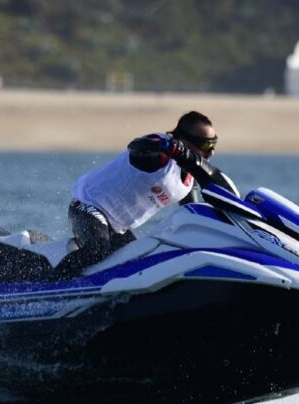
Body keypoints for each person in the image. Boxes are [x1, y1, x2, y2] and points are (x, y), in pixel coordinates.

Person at [52, 111, 237, 279]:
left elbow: (195, 212)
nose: (211, 151)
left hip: (117, 228)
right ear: (183, 140)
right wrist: (171, 148)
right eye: (205, 144)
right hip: (88, 207)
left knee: (133, 266)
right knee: (97, 250)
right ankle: (47, 283)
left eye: (214, 143)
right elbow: (135, 147)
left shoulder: (188, 179)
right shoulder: (160, 150)